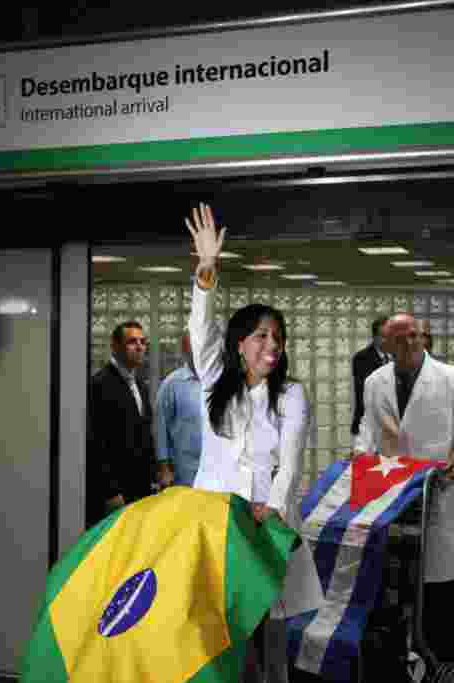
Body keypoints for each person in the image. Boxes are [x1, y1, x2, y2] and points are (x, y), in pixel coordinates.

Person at [186, 203, 316, 683]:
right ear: (239, 342)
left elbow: (291, 461)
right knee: (216, 621)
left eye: (278, 337)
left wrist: (274, 507)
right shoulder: (213, 381)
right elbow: (200, 329)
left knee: (263, 627)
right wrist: (206, 270)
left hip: (264, 524)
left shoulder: (291, 394)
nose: (272, 345)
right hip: (214, 519)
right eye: (261, 336)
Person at [354, 312, 454, 664]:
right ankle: (399, 662)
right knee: (397, 588)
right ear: (385, 343)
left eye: (416, 335)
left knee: (440, 595)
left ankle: (439, 665)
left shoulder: (452, 378)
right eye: (400, 337)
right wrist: (359, 456)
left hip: (442, 492)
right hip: (394, 497)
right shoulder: (374, 381)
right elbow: (368, 426)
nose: (410, 342)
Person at [86, 321, 156, 527]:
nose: (140, 347)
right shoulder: (100, 384)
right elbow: (95, 443)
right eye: (132, 342)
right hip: (114, 493)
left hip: (140, 489)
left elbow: (144, 435)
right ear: (115, 346)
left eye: (143, 342)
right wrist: (110, 491)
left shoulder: (140, 385)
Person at [155, 333, 203, 487]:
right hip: (184, 472)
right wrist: (164, 468)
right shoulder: (172, 384)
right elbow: (160, 428)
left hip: (215, 470)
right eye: (193, 347)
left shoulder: (218, 382)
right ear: (185, 350)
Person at [351, 315, 390, 437]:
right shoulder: (361, 358)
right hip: (368, 425)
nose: (387, 340)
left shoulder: (398, 357)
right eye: (383, 336)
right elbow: (365, 393)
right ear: (374, 337)